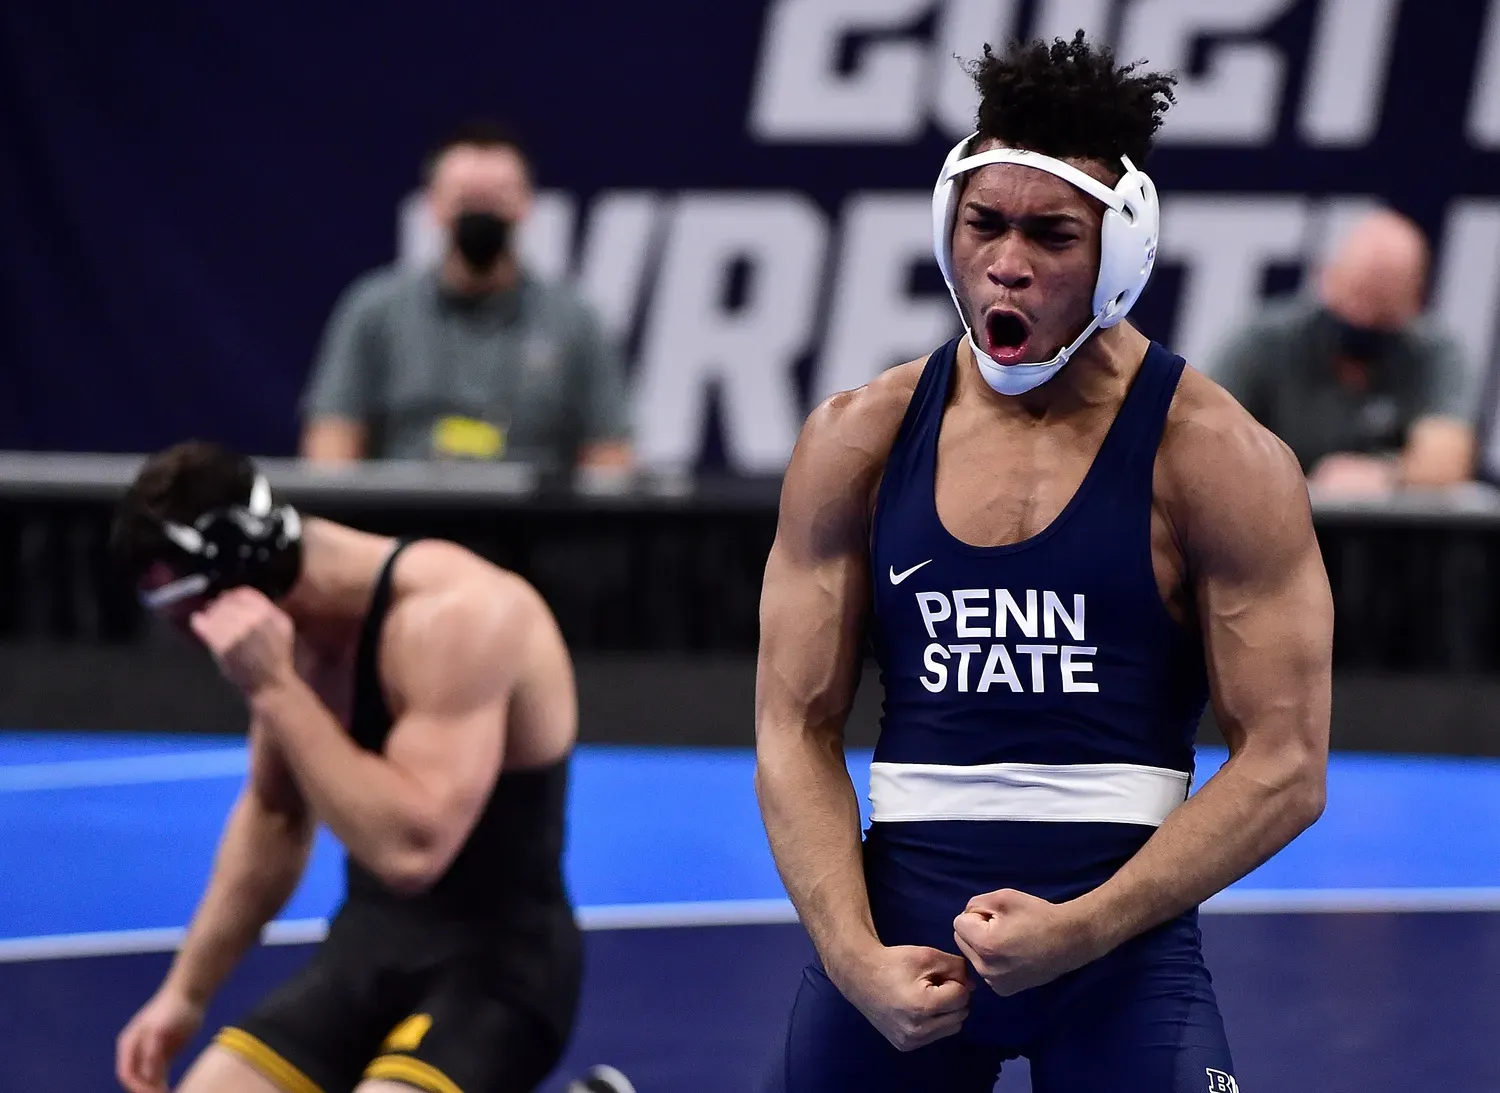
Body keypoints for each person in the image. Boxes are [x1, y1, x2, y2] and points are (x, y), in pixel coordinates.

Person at [754, 32, 1331, 1092]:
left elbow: (1288, 764)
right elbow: (793, 726)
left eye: (1050, 234)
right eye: (984, 223)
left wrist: (1085, 928)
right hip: (895, 957)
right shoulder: (857, 440)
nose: (1006, 263)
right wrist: (852, 959)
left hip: (1121, 958)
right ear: (947, 223)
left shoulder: (1216, 458)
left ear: (1123, 251)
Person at [109, 440, 601, 1093]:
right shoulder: (289, 631)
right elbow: (275, 815)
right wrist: (186, 991)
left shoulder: (459, 619)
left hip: (501, 971)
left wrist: (278, 689)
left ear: (238, 577)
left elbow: (410, 850)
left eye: (192, 616)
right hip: (366, 952)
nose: (199, 640)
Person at [299, 120, 633, 474]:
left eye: (496, 199)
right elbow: (331, 446)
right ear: (433, 205)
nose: (481, 214)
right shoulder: (374, 311)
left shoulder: (576, 321)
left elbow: (609, 455)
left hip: (532, 524)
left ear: (525, 204)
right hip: (403, 520)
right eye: (467, 199)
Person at [1207, 208, 1475, 496]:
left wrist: (1385, 475)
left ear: (1415, 300)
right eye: (1358, 297)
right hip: (1270, 516)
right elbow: (1206, 443)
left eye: (1382, 307)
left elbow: (1447, 460)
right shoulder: (1261, 342)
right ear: (1328, 277)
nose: (1364, 318)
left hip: (1388, 533)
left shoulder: (1433, 353)